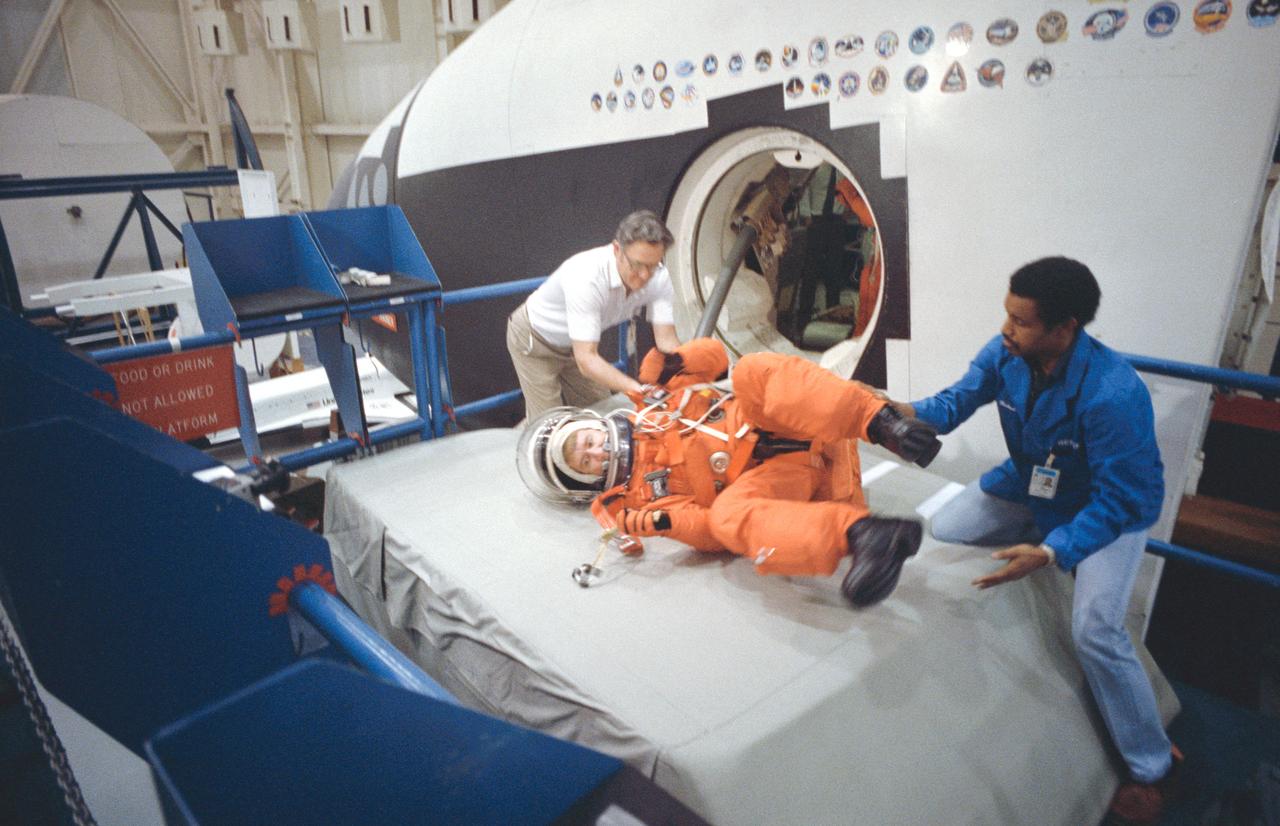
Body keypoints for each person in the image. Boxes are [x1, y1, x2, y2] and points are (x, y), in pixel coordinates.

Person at [886, 257, 1179, 824]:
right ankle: (1037, 534)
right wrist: (896, 411)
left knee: (1096, 630)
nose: (1005, 330)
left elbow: (1118, 499)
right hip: (1033, 483)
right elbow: (953, 404)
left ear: (1064, 328)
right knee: (948, 526)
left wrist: (1053, 552)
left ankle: (1152, 765)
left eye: (1020, 321)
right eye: (1006, 315)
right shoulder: (1007, 354)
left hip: (1109, 510)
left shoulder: (1112, 395)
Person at [515, 337, 942, 608]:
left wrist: (677, 359)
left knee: (752, 372)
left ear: (592, 424)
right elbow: (708, 532)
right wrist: (663, 522)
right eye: (583, 462)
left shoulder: (652, 397)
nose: (595, 452)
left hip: (804, 423)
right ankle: (866, 537)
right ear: (586, 480)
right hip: (789, 482)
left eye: (585, 441)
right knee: (726, 517)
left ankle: (885, 423)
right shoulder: (640, 503)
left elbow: (717, 360)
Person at [507, 210, 681, 421]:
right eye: (637, 265)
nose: (645, 276)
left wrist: (690, 375)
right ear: (617, 249)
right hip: (534, 340)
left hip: (576, 344)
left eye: (652, 266)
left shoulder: (659, 277)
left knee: (602, 412)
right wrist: (638, 389)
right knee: (549, 426)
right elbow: (587, 360)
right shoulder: (586, 276)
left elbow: (667, 340)